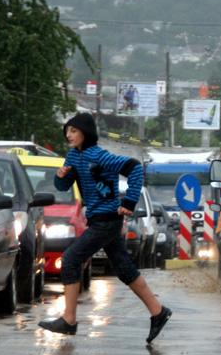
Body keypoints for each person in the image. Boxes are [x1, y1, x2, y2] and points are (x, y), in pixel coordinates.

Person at [39, 112, 172, 343]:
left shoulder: (99, 156)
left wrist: (129, 201)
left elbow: (135, 168)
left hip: (107, 219)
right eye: (67, 131)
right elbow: (63, 186)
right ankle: (157, 311)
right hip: (98, 219)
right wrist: (60, 176)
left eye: (73, 130)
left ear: (85, 133)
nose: (68, 135)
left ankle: (69, 319)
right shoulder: (73, 155)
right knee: (124, 270)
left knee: (70, 259)